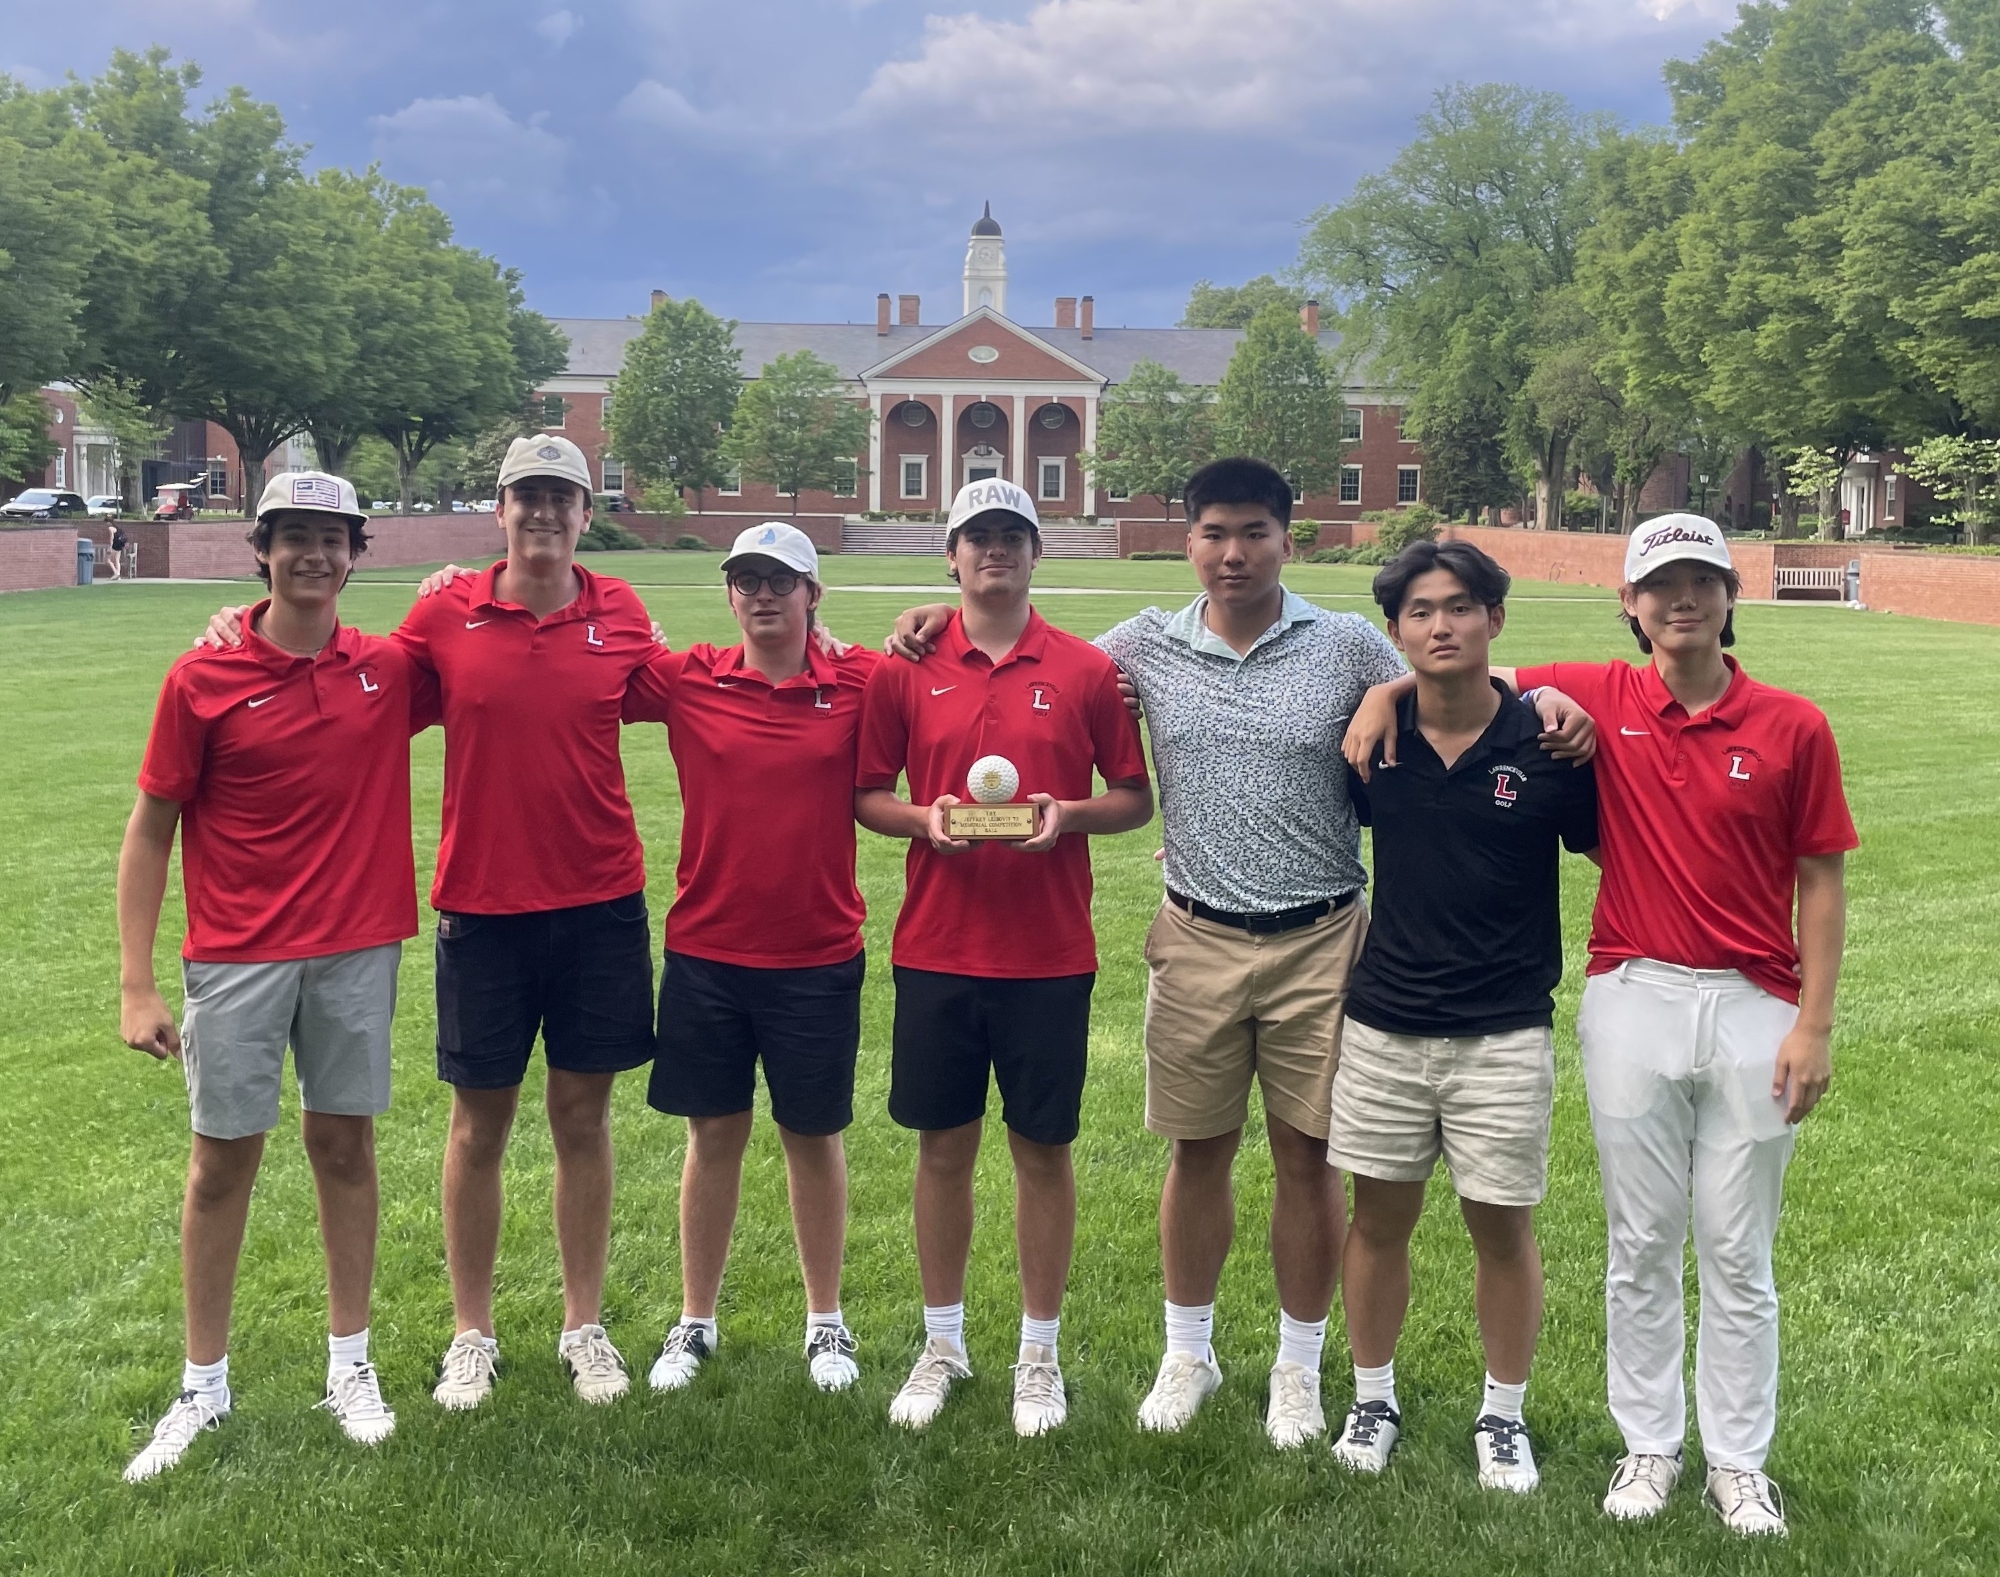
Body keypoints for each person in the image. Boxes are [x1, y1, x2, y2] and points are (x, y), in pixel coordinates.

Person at [888, 458, 1591, 1448]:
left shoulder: (1344, 641)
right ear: (1188, 541)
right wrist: (937, 614)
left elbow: (1446, 668)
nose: (1232, 552)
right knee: (1197, 1151)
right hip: (1195, 934)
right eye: (1213, 532)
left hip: (1322, 939)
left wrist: (1540, 688)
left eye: (1253, 531)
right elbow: (1032, 663)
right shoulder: (1141, 647)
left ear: (1283, 536)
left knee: (1308, 1159)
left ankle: (1298, 1366)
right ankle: (1190, 1351)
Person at [1345, 514, 1855, 1537]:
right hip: (1631, 992)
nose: (1680, 601)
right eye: (1658, 585)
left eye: (1699, 582)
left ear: (1727, 596)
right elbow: (1456, 666)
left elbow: (1821, 876)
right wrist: (1381, 689)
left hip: (1754, 1003)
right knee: (1639, 1240)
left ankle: (1739, 1461)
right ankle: (1648, 1445)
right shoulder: (1596, 689)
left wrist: (1814, 1021)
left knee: (1735, 1245)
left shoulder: (1791, 722)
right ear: (1627, 603)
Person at [202, 435, 663, 1411]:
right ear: (498, 508)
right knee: (478, 1124)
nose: (543, 513)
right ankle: (471, 1330)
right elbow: (342, 677)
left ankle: (584, 1325)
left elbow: (698, 682)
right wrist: (240, 632)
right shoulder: (445, 609)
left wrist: (833, 641)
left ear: (583, 514)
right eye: (525, 496)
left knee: (583, 1117)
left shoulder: (618, 610)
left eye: (561, 498)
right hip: (483, 911)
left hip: (598, 907)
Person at [118, 471, 436, 1481]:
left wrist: (460, 580)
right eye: (293, 536)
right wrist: (136, 981)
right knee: (221, 1163)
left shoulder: (388, 666)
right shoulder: (200, 675)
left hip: (355, 946)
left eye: (332, 538)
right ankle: (201, 1383)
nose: (314, 554)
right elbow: (151, 827)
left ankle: (351, 1364)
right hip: (236, 953)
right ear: (260, 550)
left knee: (344, 1147)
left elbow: (488, 642)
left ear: (355, 552)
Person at [855, 478, 1152, 1437]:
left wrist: (1068, 817)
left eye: (1012, 536)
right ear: (950, 556)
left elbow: (1133, 796)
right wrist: (921, 816)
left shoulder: (1083, 669)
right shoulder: (906, 664)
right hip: (938, 947)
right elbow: (867, 793)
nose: (995, 552)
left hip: (1049, 951)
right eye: (977, 537)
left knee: (1042, 1151)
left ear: (1037, 552)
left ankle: (1038, 1352)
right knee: (943, 1149)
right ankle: (943, 1342)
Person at [1323, 539, 1598, 1493]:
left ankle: (1503, 1415)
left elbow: (1619, 848)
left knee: (1502, 1229)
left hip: (1505, 1029)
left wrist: (1554, 704)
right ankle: (1373, 1397)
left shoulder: (1550, 745)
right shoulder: (1370, 743)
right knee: (1378, 1221)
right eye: (1421, 613)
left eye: (1461, 607)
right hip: (1386, 1023)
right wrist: (1380, 696)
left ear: (1494, 619)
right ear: (1396, 632)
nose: (1441, 626)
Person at [618, 523, 878, 1394]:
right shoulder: (688, 677)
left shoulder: (858, 680)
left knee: (813, 1136)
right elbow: (580, 666)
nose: (763, 595)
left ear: (814, 595)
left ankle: (826, 1323)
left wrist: (920, 616)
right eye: (747, 581)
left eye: (782, 581)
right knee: (714, 1135)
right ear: (730, 593)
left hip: (817, 951)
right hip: (707, 949)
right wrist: (461, 586)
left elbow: (945, 676)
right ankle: (695, 1320)